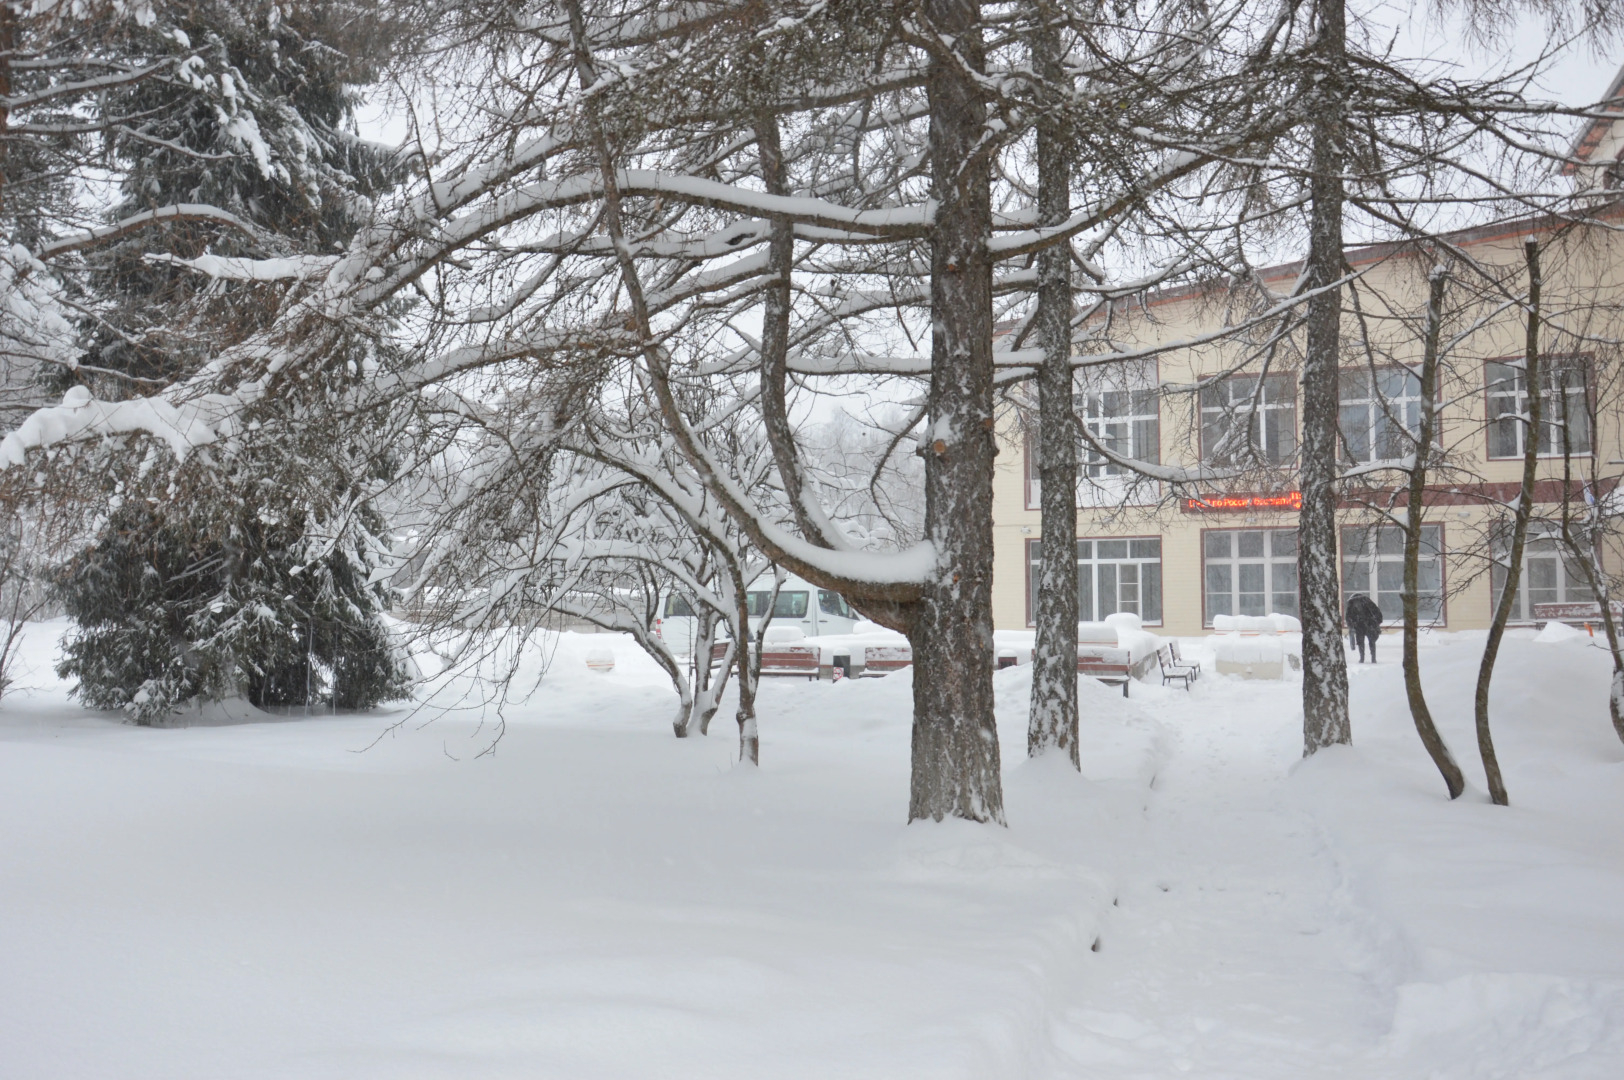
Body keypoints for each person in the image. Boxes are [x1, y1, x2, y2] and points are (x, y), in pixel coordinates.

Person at [1345, 594, 1384, 663]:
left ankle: (1362, 658)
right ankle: (1373, 658)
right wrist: (1378, 622)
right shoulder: (1367, 602)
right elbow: (1376, 611)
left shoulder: (1351, 604)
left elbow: (1348, 616)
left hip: (1359, 625)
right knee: (1372, 642)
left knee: (1360, 642)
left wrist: (1351, 625)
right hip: (1369, 624)